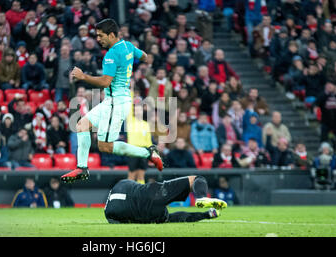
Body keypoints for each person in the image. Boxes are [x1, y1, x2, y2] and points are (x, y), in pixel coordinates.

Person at [62, 19, 163, 183]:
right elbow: (144, 56)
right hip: (114, 100)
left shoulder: (111, 55)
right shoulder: (128, 46)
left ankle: (148, 152)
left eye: (101, 36)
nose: (98, 39)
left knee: (105, 146)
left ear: (111, 34)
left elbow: (105, 82)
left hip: (116, 103)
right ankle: (82, 167)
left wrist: (83, 76)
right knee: (81, 125)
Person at [104, 175, 225, 224]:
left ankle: (207, 214)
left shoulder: (107, 211)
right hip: (151, 193)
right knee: (196, 179)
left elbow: (117, 222)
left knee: (169, 219)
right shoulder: (124, 182)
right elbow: (136, 185)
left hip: (143, 215)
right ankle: (201, 197)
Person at [126, 104, 152, 184]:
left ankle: (140, 193)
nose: (138, 112)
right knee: (131, 175)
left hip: (143, 151)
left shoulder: (146, 124)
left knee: (141, 175)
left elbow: (148, 140)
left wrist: (151, 151)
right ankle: (129, 194)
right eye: (136, 110)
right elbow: (128, 106)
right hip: (133, 151)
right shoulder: (130, 121)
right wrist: (130, 92)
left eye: (139, 110)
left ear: (142, 111)